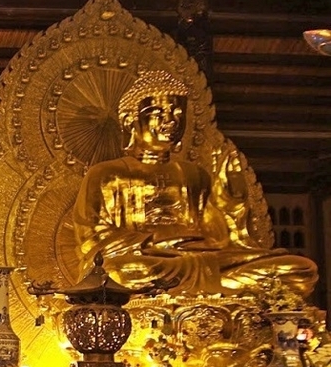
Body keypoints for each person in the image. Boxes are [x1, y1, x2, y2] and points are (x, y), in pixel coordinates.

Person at [71, 70, 317, 297]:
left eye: (178, 114)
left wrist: (229, 200)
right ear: (128, 121)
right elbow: (92, 241)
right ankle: (214, 289)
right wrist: (157, 240)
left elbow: (221, 240)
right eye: (157, 114)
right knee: (118, 271)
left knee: (301, 269)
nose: (170, 122)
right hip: (150, 263)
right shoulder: (106, 174)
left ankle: (202, 288)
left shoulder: (194, 174)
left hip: (205, 261)